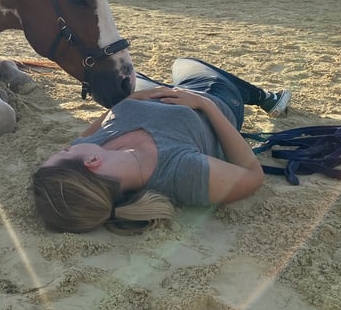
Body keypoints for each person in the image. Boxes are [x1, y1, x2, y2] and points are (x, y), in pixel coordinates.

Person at [32, 57, 291, 234]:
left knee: (131, 76)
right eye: (64, 152)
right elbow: (253, 176)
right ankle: (265, 97)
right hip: (212, 96)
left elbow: (88, 133)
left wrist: (131, 99)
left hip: (152, 94)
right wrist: (207, 108)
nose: (70, 145)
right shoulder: (180, 171)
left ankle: (153, 85)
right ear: (91, 163)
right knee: (184, 63)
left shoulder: (94, 147)